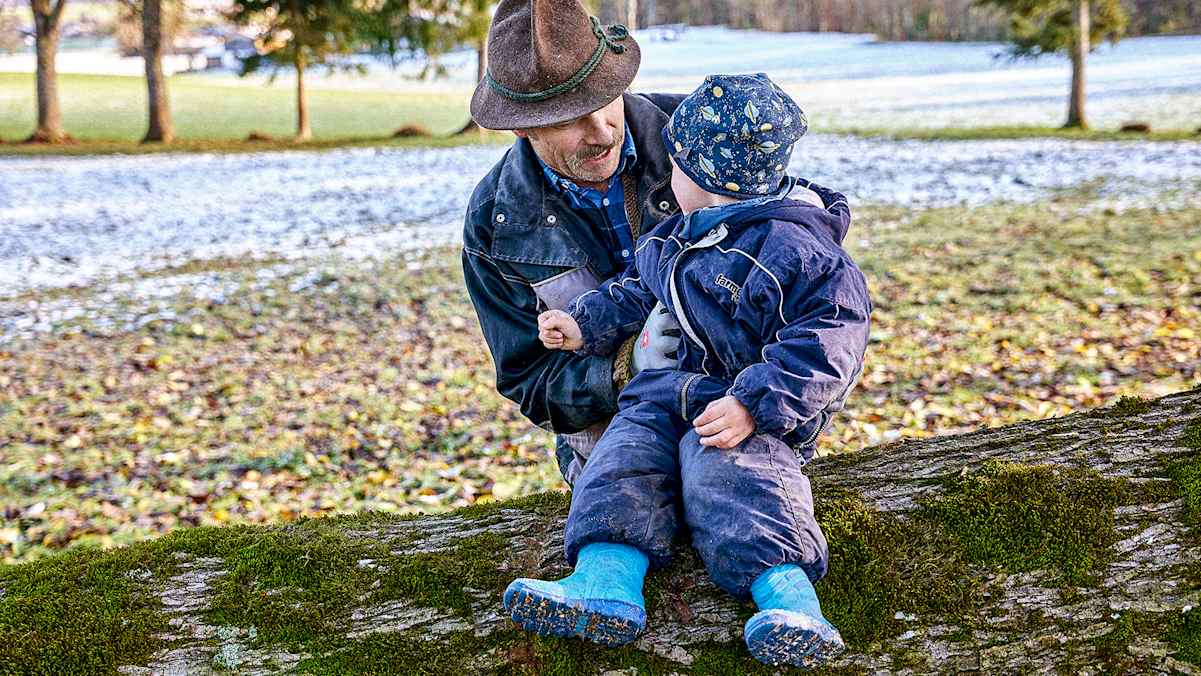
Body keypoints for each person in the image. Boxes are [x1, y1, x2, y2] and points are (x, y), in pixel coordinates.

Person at [503, 73, 872, 669]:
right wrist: (583, 323)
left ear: (701, 178)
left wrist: (756, 402)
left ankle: (792, 604)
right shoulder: (679, 234)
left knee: (735, 482)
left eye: (675, 167)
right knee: (619, 461)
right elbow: (636, 289)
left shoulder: (794, 248)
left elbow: (832, 337)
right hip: (660, 394)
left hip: (738, 409)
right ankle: (604, 584)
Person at [460, 0, 826, 487]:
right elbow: (530, 382)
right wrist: (625, 366)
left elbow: (810, 297)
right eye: (569, 119)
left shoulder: (703, 134)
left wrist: (768, 406)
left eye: (605, 99)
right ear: (521, 126)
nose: (601, 131)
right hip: (613, 455)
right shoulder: (495, 223)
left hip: (749, 438)